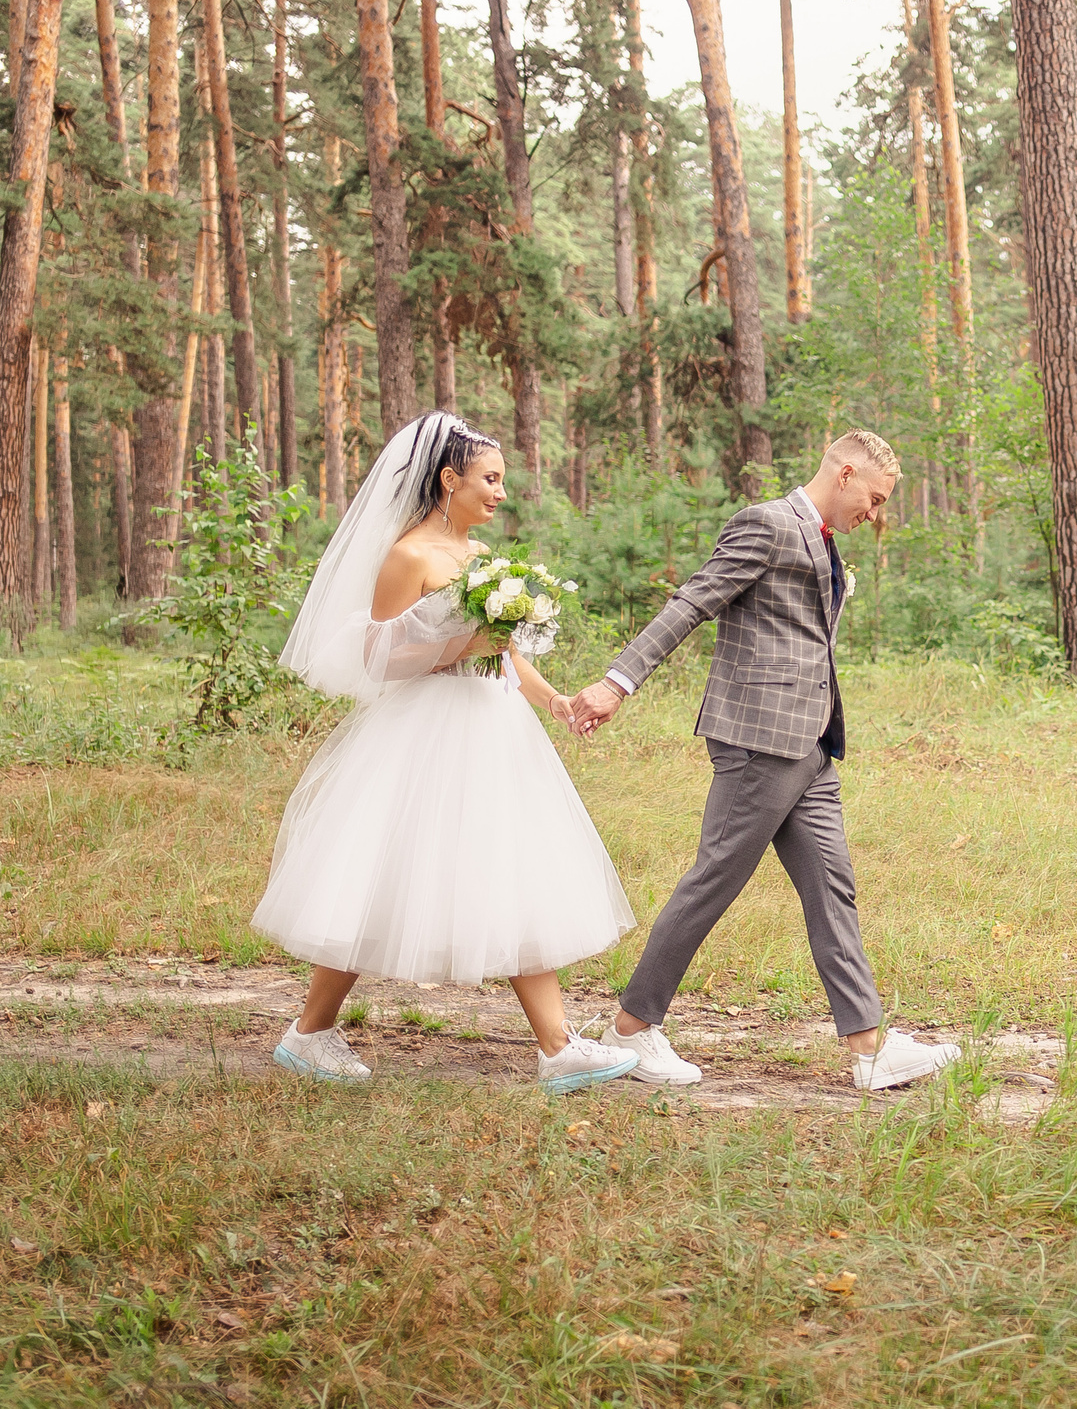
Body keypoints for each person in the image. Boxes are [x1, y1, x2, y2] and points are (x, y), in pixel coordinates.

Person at [252, 413, 641, 1095]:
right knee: (380, 875)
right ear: (448, 478)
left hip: (494, 727)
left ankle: (556, 1047)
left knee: (512, 865)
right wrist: (461, 646)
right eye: (489, 479)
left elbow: (506, 653)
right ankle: (309, 1032)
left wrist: (554, 703)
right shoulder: (409, 556)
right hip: (425, 731)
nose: (499, 492)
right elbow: (377, 657)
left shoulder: (483, 557)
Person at [568, 431, 961, 1092]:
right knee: (715, 877)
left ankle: (870, 1047)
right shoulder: (766, 524)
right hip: (758, 740)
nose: (876, 511)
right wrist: (617, 682)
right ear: (843, 473)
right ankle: (631, 1032)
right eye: (874, 496)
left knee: (832, 886)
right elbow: (692, 601)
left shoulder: (824, 540)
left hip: (810, 743)